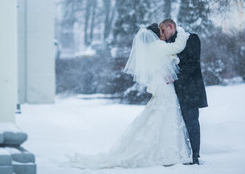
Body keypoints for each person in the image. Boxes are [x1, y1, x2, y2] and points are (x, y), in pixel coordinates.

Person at [67, 23, 192, 169]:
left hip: (161, 83)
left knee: (161, 114)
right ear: (155, 35)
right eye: (161, 32)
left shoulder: (150, 48)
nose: (163, 34)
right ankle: (167, 151)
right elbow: (176, 48)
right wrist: (182, 33)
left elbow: (168, 58)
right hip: (163, 85)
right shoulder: (157, 46)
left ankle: (166, 150)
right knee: (165, 113)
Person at [160, 19, 208, 165]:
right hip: (174, 92)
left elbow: (193, 63)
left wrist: (174, 77)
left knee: (191, 122)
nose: (162, 35)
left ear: (171, 26)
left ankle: (195, 156)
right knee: (176, 125)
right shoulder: (168, 45)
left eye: (163, 31)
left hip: (191, 90)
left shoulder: (191, 38)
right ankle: (181, 154)